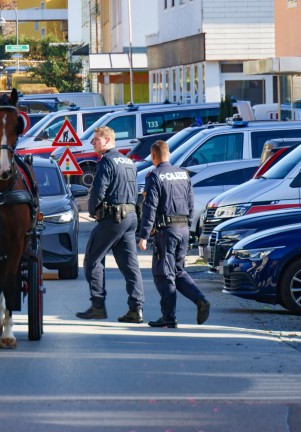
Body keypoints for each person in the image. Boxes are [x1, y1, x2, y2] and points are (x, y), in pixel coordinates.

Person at [138, 140, 210, 328]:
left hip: (166, 232)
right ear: (168, 154)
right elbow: (191, 203)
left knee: (164, 274)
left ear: (153, 156)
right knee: (178, 271)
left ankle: (168, 317)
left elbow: (150, 207)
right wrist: (187, 226)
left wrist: (144, 235)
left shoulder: (154, 175)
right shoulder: (183, 174)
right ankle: (200, 300)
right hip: (183, 229)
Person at [76, 126, 144, 323]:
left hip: (113, 218)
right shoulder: (129, 162)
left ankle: (98, 305)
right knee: (130, 266)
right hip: (130, 217)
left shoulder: (106, 162)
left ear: (107, 140)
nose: (92, 143)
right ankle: (136, 309)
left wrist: (92, 211)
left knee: (92, 260)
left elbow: (98, 192)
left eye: (96, 139)